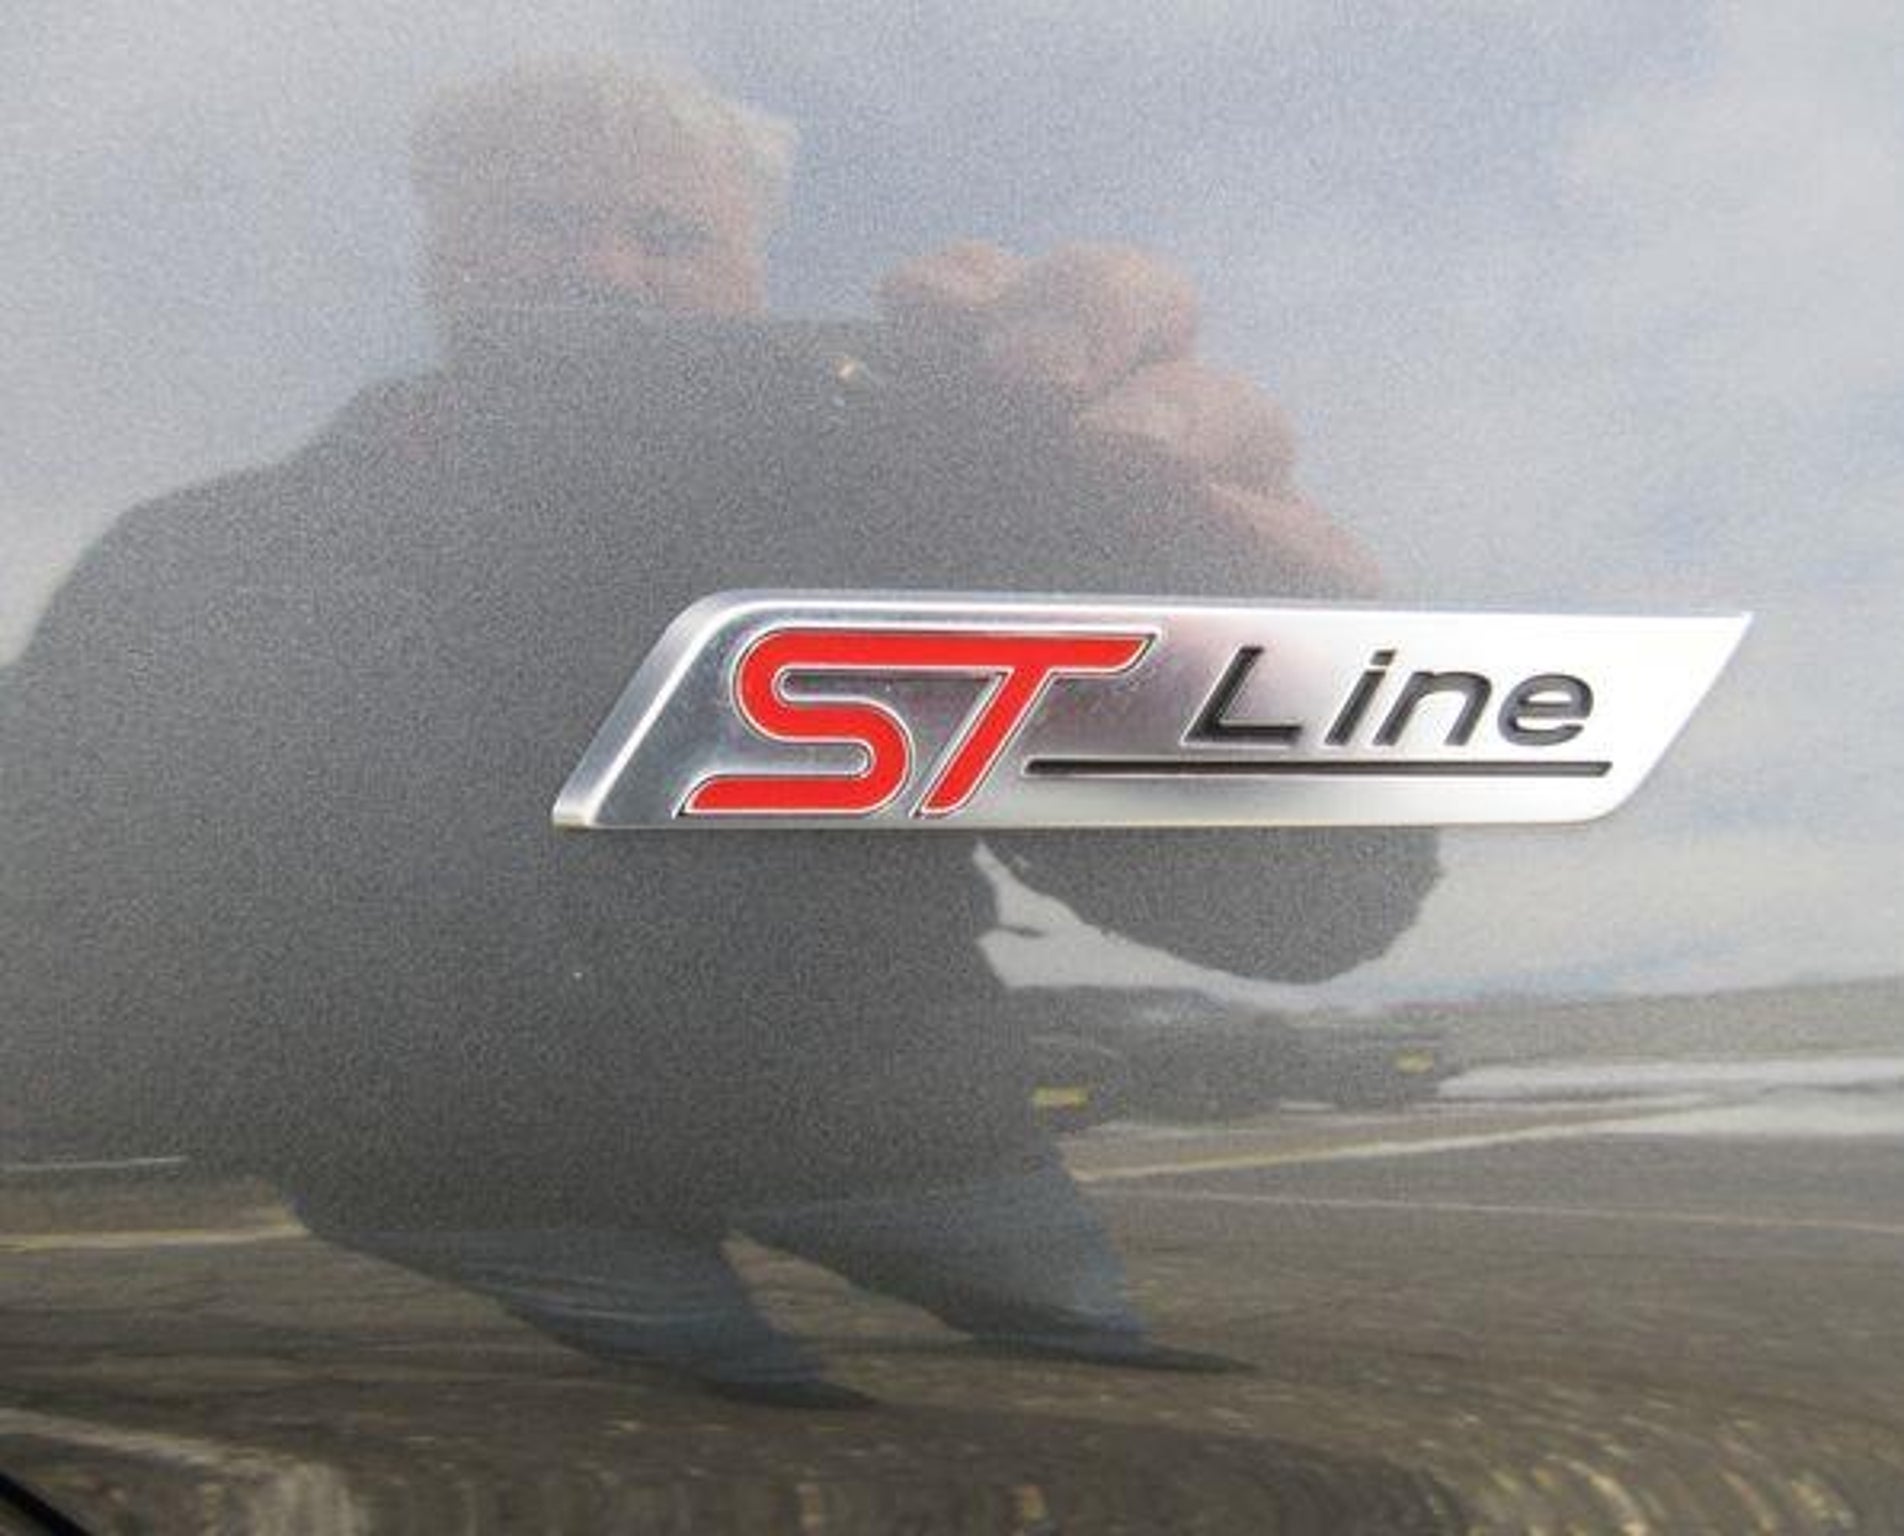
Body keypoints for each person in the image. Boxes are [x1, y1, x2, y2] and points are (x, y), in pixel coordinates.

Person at [3, 59, 1437, 1409]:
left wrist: (1217, 631)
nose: (603, 267)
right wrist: (346, 1112)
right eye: (539, 218)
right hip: (464, 1207)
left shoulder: (889, 502)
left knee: (1127, 1405)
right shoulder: (199, 562)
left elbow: (1304, 907)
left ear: (752, 274)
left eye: (669, 235)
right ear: (441, 250)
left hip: (909, 1155)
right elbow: (51, 933)